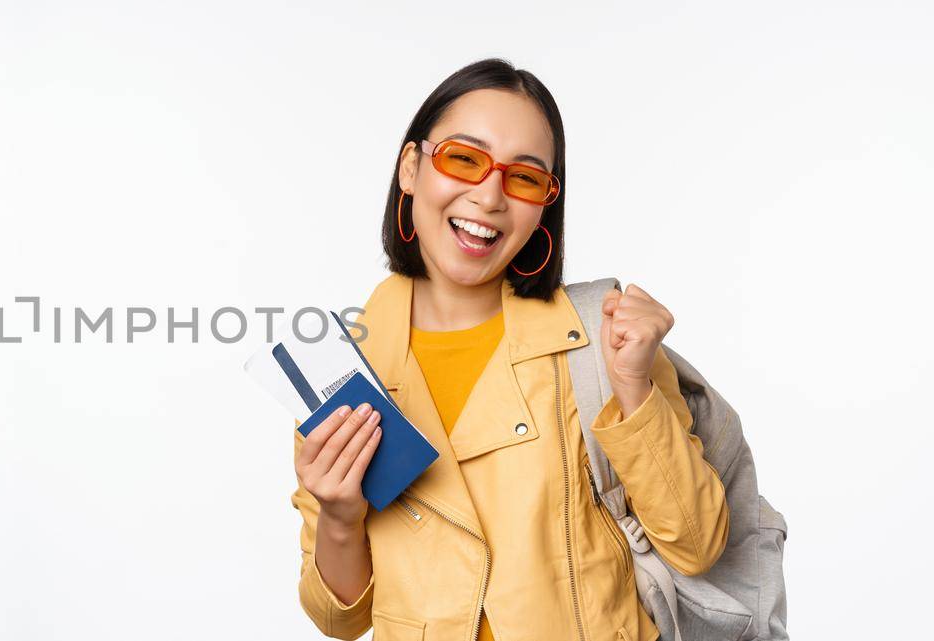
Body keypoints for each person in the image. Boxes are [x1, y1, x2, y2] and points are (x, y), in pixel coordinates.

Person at [289, 58, 730, 641]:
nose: (490, 196)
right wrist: (341, 518)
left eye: (523, 177)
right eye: (463, 159)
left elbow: (697, 547)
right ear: (412, 168)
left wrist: (634, 389)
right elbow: (339, 620)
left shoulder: (599, 338)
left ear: (545, 203)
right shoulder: (348, 365)